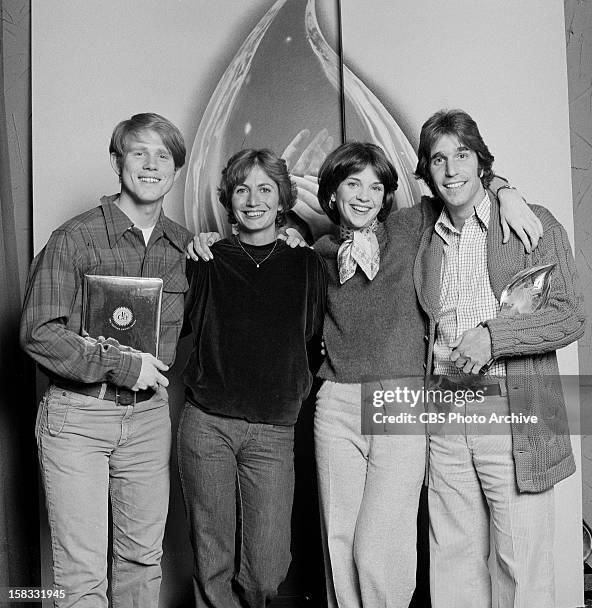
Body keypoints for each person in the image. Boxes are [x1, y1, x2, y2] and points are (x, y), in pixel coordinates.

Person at [190, 141, 542, 608]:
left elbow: (458, 187)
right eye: (352, 184)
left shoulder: (411, 227)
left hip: (399, 398)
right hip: (334, 400)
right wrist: (238, 240)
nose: (364, 196)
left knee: (379, 546)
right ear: (331, 195)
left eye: (376, 187)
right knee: (338, 541)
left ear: (386, 196)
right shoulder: (315, 252)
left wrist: (506, 189)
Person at [412, 108, 585, 607]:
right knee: (453, 562)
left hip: (515, 414)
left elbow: (570, 315)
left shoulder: (533, 224)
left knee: (521, 567)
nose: (451, 170)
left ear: (481, 161)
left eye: (462, 155)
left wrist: (493, 336)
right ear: (426, 171)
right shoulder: (425, 234)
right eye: (438, 159)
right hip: (444, 415)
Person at [20, 113, 192, 607]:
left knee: (142, 560)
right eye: (139, 152)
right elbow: (39, 333)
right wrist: (123, 365)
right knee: (81, 574)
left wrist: (289, 236)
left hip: (147, 418)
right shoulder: (74, 238)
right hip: (78, 417)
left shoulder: (184, 247)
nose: (151, 164)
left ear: (176, 170)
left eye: (163, 155)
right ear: (117, 161)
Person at [177, 149, 327, 608]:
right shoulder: (206, 259)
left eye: (265, 188)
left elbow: (312, 338)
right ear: (229, 199)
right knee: (212, 561)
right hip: (207, 425)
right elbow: (172, 324)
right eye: (242, 189)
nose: (254, 199)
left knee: (266, 569)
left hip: (272, 431)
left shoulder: (306, 265)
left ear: (283, 198)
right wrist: (189, 247)